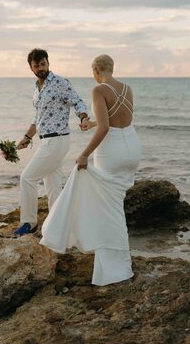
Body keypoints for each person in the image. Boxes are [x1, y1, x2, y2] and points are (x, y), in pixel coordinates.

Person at [40, 54, 141, 286]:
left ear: (96, 71)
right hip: (132, 148)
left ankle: (115, 269)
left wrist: (84, 154)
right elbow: (121, 120)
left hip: (112, 152)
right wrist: (91, 123)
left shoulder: (98, 91)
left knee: (108, 209)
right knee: (114, 204)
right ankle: (114, 262)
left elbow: (106, 128)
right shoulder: (128, 88)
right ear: (112, 68)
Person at [12, 48, 89, 236]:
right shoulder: (37, 89)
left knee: (27, 178)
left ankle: (29, 223)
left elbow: (78, 102)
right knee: (53, 186)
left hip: (57, 140)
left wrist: (84, 118)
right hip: (46, 140)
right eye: (36, 65)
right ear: (31, 68)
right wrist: (27, 137)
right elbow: (38, 118)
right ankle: (59, 226)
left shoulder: (60, 82)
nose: (41, 68)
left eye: (43, 64)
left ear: (48, 63)